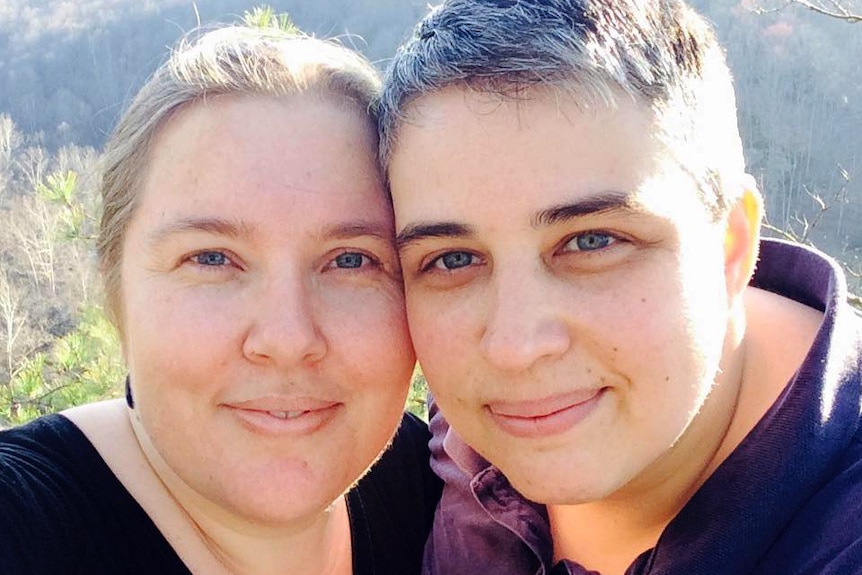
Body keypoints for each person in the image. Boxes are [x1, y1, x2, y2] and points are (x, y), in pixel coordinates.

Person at [378, 0, 862, 573]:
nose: (515, 347)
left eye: (592, 242)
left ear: (730, 245)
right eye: (453, 259)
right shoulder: (456, 431)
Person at [0, 25, 441, 575]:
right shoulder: (23, 525)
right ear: (115, 287)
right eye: (211, 258)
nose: (287, 339)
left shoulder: (444, 498)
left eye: (351, 259)